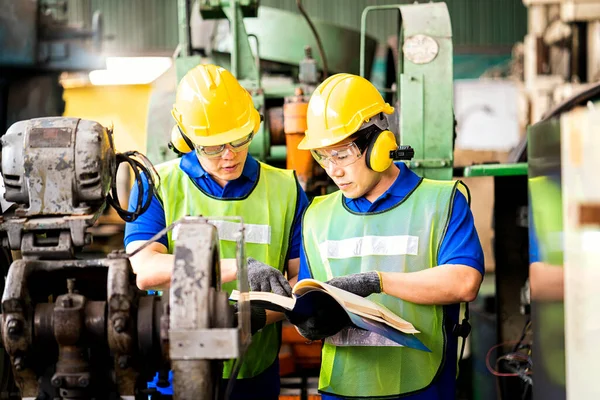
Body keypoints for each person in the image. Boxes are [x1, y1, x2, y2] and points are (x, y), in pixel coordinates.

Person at [267, 73, 485, 399]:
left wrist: (376, 281)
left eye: (341, 154)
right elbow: (309, 297)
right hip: (341, 390)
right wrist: (305, 323)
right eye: (323, 157)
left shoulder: (440, 202)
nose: (333, 170)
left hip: (422, 389)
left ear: (379, 145)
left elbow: (464, 282)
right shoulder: (317, 216)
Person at [124, 64, 308, 399]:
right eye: (212, 146)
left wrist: (251, 318)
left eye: (239, 140)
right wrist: (240, 268)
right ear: (186, 137)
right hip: (172, 373)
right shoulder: (157, 185)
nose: (229, 155)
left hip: (255, 375)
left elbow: (299, 280)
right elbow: (146, 270)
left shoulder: (287, 190)